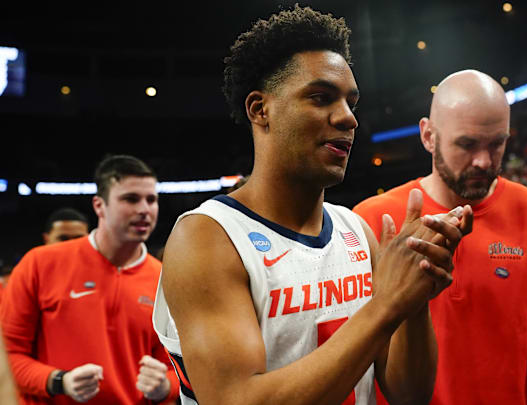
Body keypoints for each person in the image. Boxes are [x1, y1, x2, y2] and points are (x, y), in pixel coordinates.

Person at [153, 6, 472, 405]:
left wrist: (414, 297)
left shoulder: (355, 230)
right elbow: (236, 399)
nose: (348, 118)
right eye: (321, 98)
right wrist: (387, 305)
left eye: (351, 102)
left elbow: (410, 395)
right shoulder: (207, 236)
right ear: (260, 109)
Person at [354, 70, 527, 404]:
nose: (484, 161)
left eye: (497, 143)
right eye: (467, 144)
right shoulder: (372, 220)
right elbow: (351, 354)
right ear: (428, 136)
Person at [0, 155, 179, 404]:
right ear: (99, 206)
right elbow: (9, 357)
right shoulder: (39, 264)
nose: (144, 209)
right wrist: (59, 381)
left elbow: (180, 369)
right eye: (130, 199)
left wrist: (165, 387)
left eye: (151, 200)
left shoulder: (166, 280)